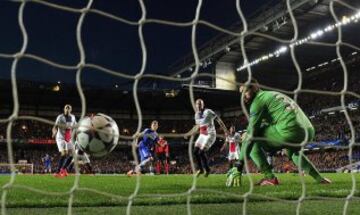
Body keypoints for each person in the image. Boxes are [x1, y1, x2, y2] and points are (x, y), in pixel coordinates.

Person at [238, 79, 331, 185]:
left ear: (254, 88)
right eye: (241, 93)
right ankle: (318, 178)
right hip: (308, 131)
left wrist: (238, 165)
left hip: (290, 131)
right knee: (292, 151)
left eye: (245, 91)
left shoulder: (257, 101)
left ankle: (270, 177)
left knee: (248, 137)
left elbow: (251, 133)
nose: (243, 96)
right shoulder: (272, 94)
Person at [190, 98, 228, 177]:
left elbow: (219, 120)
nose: (199, 105)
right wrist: (189, 133)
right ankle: (200, 169)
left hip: (210, 134)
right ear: (196, 105)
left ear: (203, 104)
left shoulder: (208, 111)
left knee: (201, 152)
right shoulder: (196, 115)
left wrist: (225, 131)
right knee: (195, 152)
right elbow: (197, 126)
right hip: (202, 135)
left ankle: (207, 170)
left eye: (201, 103)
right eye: (197, 104)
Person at [52, 104, 76, 178]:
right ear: (64, 109)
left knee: (73, 154)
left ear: (71, 110)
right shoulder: (60, 117)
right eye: (66, 108)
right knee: (64, 154)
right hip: (61, 138)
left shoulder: (73, 117)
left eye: (69, 108)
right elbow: (55, 127)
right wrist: (54, 132)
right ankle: (57, 172)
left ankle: (63, 169)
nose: (67, 109)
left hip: (69, 138)